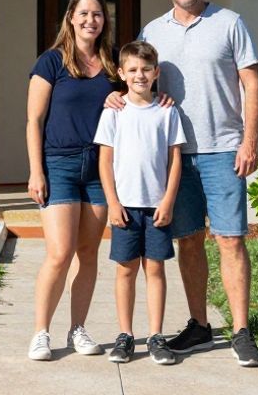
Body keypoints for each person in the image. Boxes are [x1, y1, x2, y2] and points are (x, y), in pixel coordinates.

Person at [106, 0, 258, 367]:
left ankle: (241, 331)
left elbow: (251, 82)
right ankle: (198, 324)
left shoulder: (230, 23)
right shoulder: (152, 30)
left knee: (230, 239)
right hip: (173, 157)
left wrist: (249, 140)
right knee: (189, 240)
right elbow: (137, 79)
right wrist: (115, 96)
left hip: (223, 149)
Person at [25, 0, 120, 361]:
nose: (90, 20)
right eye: (83, 13)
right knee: (59, 253)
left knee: (88, 253)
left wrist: (121, 99)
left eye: (97, 14)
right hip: (59, 164)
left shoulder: (113, 64)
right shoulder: (51, 62)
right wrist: (36, 171)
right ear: (70, 18)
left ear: (104, 21)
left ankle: (77, 328)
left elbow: (135, 101)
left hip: (99, 167)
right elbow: (34, 121)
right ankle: (40, 332)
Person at [94, 40, 186, 365]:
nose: (140, 75)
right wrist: (113, 202)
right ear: (121, 73)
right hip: (125, 207)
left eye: (146, 69)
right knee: (125, 271)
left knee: (156, 269)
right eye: (132, 69)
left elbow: (175, 160)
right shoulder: (114, 113)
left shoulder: (166, 111)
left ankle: (157, 336)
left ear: (156, 72)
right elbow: (105, 162)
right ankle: (126, 336)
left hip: (157, 205)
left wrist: (169, 201)